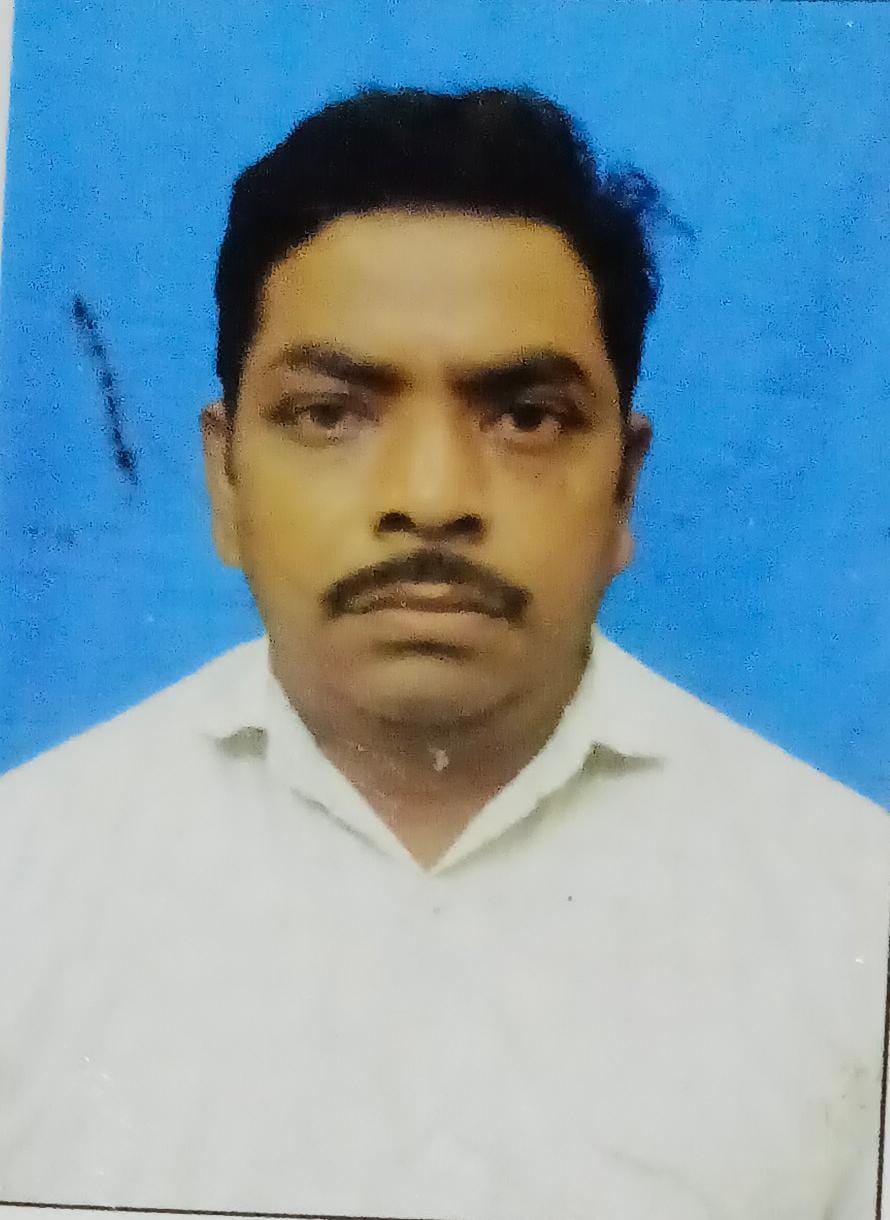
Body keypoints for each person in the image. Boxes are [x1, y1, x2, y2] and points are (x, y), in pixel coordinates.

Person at [0, 86, 887, 1220]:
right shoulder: (26, 886)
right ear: (225, 482)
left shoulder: (854, 916)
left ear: (623, 486)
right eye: (330, 412)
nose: (429, 498)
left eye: (525, 416)